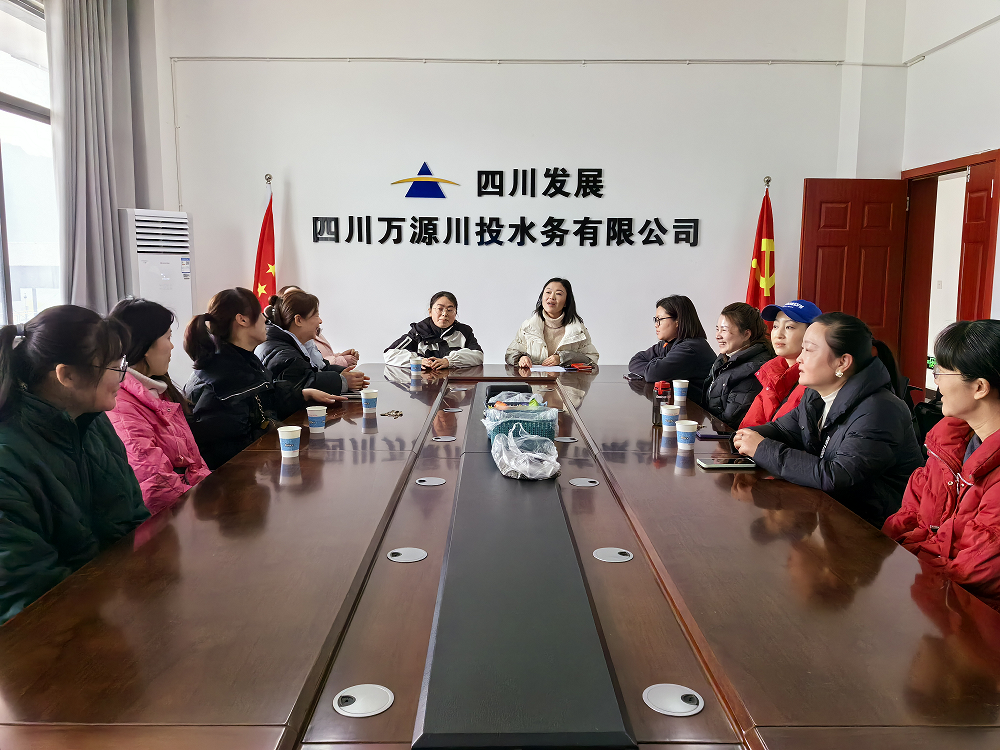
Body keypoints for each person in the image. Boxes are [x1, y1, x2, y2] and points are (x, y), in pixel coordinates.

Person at [0, 306, 149, 623]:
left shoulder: (93, 423)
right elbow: (26, 596)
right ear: (66, 375)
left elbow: (134, 519)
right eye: (113, 367)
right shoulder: (8, 460)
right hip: (57, 631)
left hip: (115, 609)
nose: (121, 377)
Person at [733, 312, 924, 527]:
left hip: (876, 530)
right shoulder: (815, 396)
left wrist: (761, 448)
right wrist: (743, 439)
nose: (800, 358)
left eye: (809, 350)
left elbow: (836, 476)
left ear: (842, 362)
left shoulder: (881, 410)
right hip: (830, 518)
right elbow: (784, 430)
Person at [884, 320, 1000, 606]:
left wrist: (900, 570)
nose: (935, 381)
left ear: (980, 387)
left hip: (967, 611)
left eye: (941, 371)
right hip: (924, 585)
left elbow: (976, 572)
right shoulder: (947, 444)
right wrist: (882, 554)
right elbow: (911, 514)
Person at [183, 288, 343, 470]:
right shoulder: (222, 381)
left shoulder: (241, 360)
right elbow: (232, 454)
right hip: (235, 481)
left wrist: (303, 394)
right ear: (242, 320)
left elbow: (264, 397)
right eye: (259, 314)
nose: (266, 320)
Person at [108, 298, 211, 514]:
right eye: (168, 337)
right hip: (172, 519)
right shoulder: (122, 406)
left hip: (192, 506)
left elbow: (193, 464)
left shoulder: (158, 390)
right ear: (146, 345)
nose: (172, 346)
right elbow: (156, 486)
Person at [257, 290, 369, 393]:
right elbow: (303, 386)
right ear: (298, 320)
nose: (320, 321)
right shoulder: (284, 355)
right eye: (316, 316)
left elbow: (321, 369)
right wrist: (342, 381)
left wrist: (348, 374)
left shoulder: (300, 345)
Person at [740, 300, 822, 428]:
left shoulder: (816, 382)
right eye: (775, 326)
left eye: (789, 327)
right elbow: (748, 426)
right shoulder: (772, 372)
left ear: (812, 333)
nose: (778, 334)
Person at [627, 295, 716, 403]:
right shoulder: (669, 343)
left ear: (678, 321)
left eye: (660, 319)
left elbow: (653, 374)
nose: (656, 325)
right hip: (682, 405)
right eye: (655, 320)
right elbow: (635, 360)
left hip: (697, 410)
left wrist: (655, 364)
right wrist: (656, 364)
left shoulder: (690, 348)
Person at [702, 302, 773, 427]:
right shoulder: (725, 358)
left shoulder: (753, 370)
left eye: (724, 330)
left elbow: (730, 422)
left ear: (746, 334)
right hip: (711, 429)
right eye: (717, 329)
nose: (717, 336)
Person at [505, 278, 599, 367]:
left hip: (567, 379)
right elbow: (510, 354)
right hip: (534, 379)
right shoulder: (528, 326)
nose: (551, 297)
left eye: (558, 294)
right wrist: (521, 358)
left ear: (566, 302)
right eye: (548, 292)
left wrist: (563, 358)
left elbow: (591, 359)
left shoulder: (578, 329)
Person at [384, 291, 484, 370]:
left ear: (455, 313)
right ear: (430, 312)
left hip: (455, 384)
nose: (444, 314)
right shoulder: (419, 331)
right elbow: (389, 354)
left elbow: (478, 355)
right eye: (440, 309)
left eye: (450, 310)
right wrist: (418, 361)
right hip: (423, 384)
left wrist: (449, 361)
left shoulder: (464, 331)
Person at [276, 285, 358, 367]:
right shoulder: (287, 351)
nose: (320, 321)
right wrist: (342, 360)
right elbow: (314, 370)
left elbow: (322, 363)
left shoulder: (311, 334)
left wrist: (341, 356)